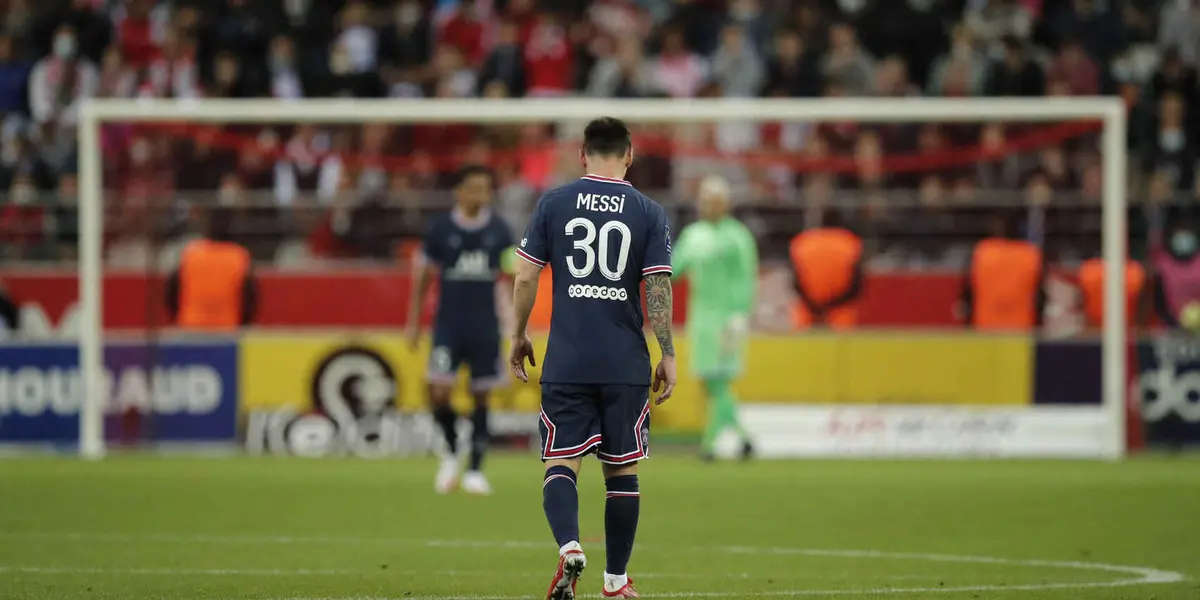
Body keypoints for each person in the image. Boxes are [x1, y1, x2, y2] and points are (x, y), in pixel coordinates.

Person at [509, 117, 676, 600]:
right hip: (625, 360)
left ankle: (569, 546)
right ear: (630, 155)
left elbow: (525, 277)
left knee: (562, 460)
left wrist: (518, 335)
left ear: (583, 154)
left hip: (568, 359)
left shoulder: (554, 203)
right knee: (621, 469)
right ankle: (616, 581)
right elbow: (658, 285)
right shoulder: (648, 211)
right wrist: (667, 353)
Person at [406, 164, 515, 496]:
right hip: (448, 325)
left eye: (486, 189)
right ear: (460, 192)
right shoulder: (440, 228)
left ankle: (476, 469)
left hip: (484, 325)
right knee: (438, 392)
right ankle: (452, 449)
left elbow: (512, 279)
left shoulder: (500, 230)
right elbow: (424, 276)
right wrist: (412, 322)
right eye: (475, 189)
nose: (481, 195)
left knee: (481, 394)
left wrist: (516, 326)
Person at [671, 174, 758, 461]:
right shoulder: (693, 235)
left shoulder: (738, 236)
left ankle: (709, 445)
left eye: (715, 201)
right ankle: (744, 439)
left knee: (718, 381)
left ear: (726, 203)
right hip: (702, 320)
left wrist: (740, 314)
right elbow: (675, 269)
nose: (709, 206)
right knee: (711, 382)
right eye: (705, 200)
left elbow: (747, 278)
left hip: (728, 318)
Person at [165, 211, 257, 330]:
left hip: (190, 327)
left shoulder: (191, 253)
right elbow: (250, 297)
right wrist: (243, 324)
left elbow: (171, 291)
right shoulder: (239, 256)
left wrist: (177, 317)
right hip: (227, 329)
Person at [960, 212, 1045, 330]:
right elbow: (1040, 298)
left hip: (984, 329)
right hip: (1021, 332)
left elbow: (968, 294)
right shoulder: (1031, 255)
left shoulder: (981, 252)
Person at [789, 211, 864, 329]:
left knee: (802, 345)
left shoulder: (803, 242)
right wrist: (834, 304)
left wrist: (813, 305)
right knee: (842, 346)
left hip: (808, 310)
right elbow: (857, 282)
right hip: (841, 312)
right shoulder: (851, 243)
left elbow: (795, 280)